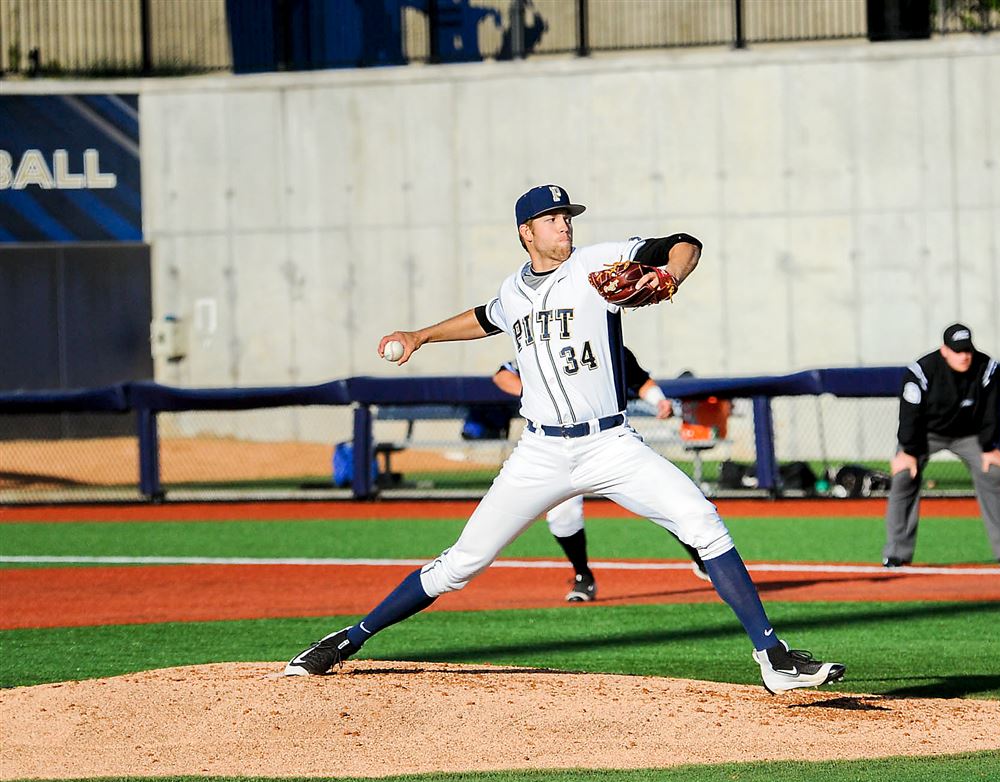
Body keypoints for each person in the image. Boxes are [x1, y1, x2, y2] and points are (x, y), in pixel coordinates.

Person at [284, 184, 845, 694]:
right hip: (541, 452)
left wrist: (669, 273)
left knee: (703, 522)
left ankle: (772, 656)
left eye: (567, 216)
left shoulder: (597, 263)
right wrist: (420, 336)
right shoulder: (514, 291)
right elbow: (485, 316)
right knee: (460, 565)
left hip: (611, 445)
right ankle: (349, 638)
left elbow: (685, 243)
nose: (564, 225)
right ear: (526, 233)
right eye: (552, 219)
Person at [491, 350, 711, 602]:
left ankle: (701, 558)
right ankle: (583, 576)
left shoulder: (604, 340)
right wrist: (534, 394)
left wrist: (659, 400)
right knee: (563, 515)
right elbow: (503, 375)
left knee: (657, 501)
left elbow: (639, 381)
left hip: (607, 444)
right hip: (557, 446)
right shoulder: (546, 344)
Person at [882, 323, 1000, 569]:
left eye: (967, 350)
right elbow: (909, 416)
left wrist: (990, 447)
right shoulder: (922, 371)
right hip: (926, 434)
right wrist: (907, 451)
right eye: (957, 351)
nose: (964, 356)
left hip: (969, 434)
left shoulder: (987, 368)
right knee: (904, 475)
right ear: (944, 350)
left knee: (994, 472)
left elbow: (991, 413)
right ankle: (897, 553)